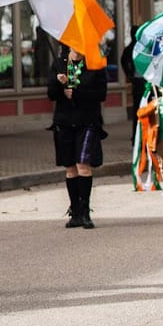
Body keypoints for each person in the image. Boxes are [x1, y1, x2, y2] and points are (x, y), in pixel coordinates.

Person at [50, 46, 107, 227]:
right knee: (70, 168)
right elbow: (51, 94)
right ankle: (74, 211)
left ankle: (85, 211)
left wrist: (76, 91)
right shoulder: (60, 63)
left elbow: (101, 94)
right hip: (64, 122)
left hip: (87, 121)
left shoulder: (95, 64)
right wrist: (59, 85)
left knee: (83, 165)